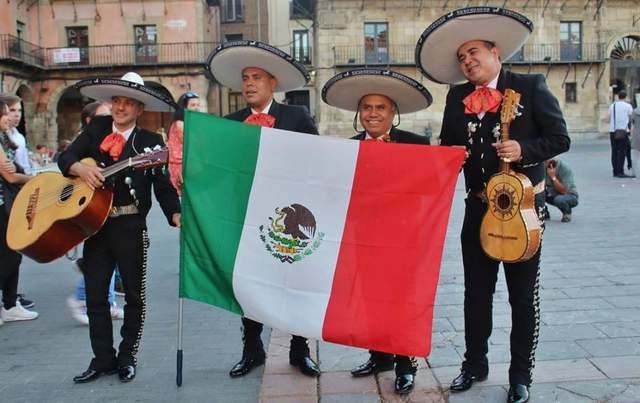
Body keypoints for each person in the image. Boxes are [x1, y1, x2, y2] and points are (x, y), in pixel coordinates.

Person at [416, 8, 570, 403]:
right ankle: (474, 364)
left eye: (473, 53)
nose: (467, 62)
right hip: (477, 210)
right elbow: (450, 151)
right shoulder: (456, 97)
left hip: (523, 212)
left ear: (495, 52)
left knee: (522, 297)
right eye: (461, 59)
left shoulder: (531, 86)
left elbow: (560, 138)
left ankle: (521, 376)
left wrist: (525, 149)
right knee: (475, 293)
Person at [205, 40, 320, 378]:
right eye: (245, 78)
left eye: (257, 77)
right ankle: (252, 349)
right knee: (250, 284)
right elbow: (217, 170)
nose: (250, 84)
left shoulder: (296, 116)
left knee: (296, 281)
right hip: (248, 216)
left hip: (291, 217)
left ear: (273, 83)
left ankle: (300, 350)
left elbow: (316, 161)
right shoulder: (230, 123)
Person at [58, 72, 180, 383]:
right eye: (117, 101)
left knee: (134, 296)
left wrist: (176, 215)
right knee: (96, 296)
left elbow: (163, 187)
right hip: (94, 226)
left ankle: (127, 356)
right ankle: (102, 359)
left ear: (140, 109)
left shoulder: (151, 142)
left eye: (129, 103)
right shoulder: (96, 127)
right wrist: (81, 168)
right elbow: (66, 157)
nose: (121, 108)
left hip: (130, 225)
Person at [321, 67, 433, 394]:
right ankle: (379, 356)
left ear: (393, 112)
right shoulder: (347, 148)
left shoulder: (417, 144)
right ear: (359, 112)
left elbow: (429, 189)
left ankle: (405, 365)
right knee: (371, 300)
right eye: (367, 107)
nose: (372, 113)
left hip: (403, 238)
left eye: (380, 107)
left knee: (403, 302)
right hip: (364, 238)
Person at [66, 101, 124, 325]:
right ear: (90, 121)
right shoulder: (87, 143)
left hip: (110, 208)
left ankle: (106, 301)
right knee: (101, 256)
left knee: (111, 256)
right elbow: (68, 165)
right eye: (104, 115)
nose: (111, 118)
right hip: (91, 207)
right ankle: (82, 298)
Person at [0, 100, 39, 326]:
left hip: (8, 202)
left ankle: (10, 304)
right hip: (3, 203)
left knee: (12, 252)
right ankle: (9, 304)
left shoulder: (7, 139)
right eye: (5, 114)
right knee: (10, 253)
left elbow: (14, 169)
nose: (9, 118)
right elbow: (11, 176)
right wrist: (34, 179)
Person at [167, 91, 201, 194]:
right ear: (184, 107)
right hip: (180, 165)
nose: (196, 108)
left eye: (198, 105)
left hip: (187, 164)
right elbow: (193, 144)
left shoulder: (186, 122)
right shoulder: (180, 124)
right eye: (193, 105)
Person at [607, 90, 634, 178]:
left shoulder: (612, 106)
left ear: (618, 96)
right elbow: (631, 118)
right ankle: (620, 171)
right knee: (622, 151)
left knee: (614, 151)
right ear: (625, 97)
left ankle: (615, 171)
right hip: (623, 131)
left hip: (613, 131)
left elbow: (609, 118)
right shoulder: (628, 106)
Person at [544, 158, 578, 222]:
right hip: (552, 193)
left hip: (570, 195)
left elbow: (564, 191)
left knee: (559, 200)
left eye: (545, 161)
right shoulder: (543, 168)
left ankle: (567, 213)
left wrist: (553, 177)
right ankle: (543, 211)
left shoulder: (565, 169)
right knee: (536, 193)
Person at [630, 104, 640, 178]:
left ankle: (634, 172)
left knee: (635, 155)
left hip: (637, 134)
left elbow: (632, 124)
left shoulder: (635, 111)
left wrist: (631, 135)